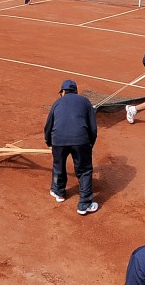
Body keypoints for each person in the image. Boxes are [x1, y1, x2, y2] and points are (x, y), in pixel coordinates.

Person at [44, 79, 99, 215]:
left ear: (62, 92)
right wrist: (90, 143)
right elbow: (93, 127)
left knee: (58, 166)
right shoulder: (85, 102)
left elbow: (48, 126)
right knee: (84, 170)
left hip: (58, 140)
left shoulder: (56, 103)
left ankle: (58, 192)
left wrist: (49, 143)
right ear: (76, 91)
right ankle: (84, 204)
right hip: (81, 140)